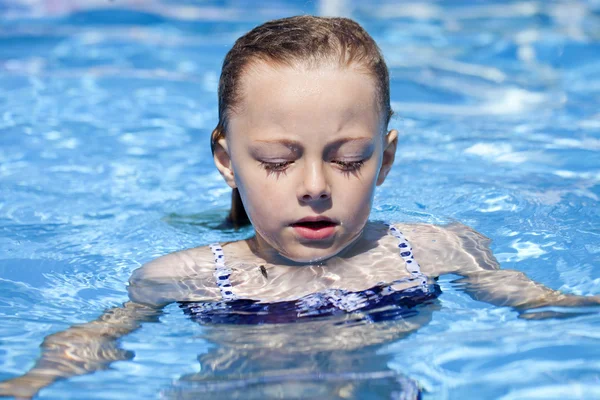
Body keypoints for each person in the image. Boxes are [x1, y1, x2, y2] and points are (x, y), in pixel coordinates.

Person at [1, 15, 599, 399]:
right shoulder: (186, 277)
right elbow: (96, 338)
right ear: (227, 158)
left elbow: (534, 305)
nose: (314, 186)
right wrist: (33, 381)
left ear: (386, 158)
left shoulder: (434, 248)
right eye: (277, 161)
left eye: (348, 159)